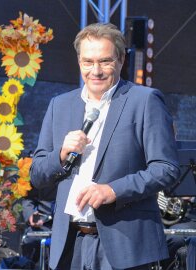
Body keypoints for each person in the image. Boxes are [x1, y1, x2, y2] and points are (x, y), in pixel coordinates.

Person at [30, 23, 180, 270]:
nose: (95, 71)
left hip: (125, 247)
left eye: (105, 61)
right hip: (70, 246)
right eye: (88, 62)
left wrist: (113, 190)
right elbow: (37, 175)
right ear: (79, 62)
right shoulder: (60, 105)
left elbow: (166, 168)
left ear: (121, 60)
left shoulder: (144, 101)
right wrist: (60, 154)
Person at [21, 184, 57, 267]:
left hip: (67, 224)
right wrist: (30, 214)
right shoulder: (42, 176)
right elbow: (28, 199)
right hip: (43, 222)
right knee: (29, 239)